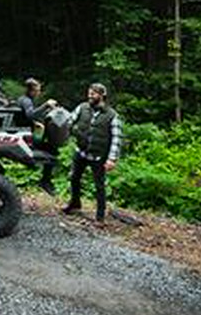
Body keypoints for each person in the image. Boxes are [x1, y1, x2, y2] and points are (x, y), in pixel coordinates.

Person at [61, 82, 122, 225]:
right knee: (74, 178)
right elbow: (69, 121)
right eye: (89, 93)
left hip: (99, 156)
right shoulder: (82, 108)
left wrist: (112, 159)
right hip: (81, 152)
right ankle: (75, 204)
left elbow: (117, 138)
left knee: (99, 186)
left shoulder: (112, 115)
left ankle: (100, 218)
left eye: (93, 93)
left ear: (102, 96)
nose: (90, 95)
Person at [16, 78, 58, 195]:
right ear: (31, 91)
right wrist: (46, 105)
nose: (39, 93)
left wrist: (35, 123)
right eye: (37, 90)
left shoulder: (24, 100)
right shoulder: (26, 101)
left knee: (49, 148)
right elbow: (30, 114)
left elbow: (24, 117)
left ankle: (45, 180)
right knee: (52, 150)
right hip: (24, 137)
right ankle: (45, 181)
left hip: (27, 132)